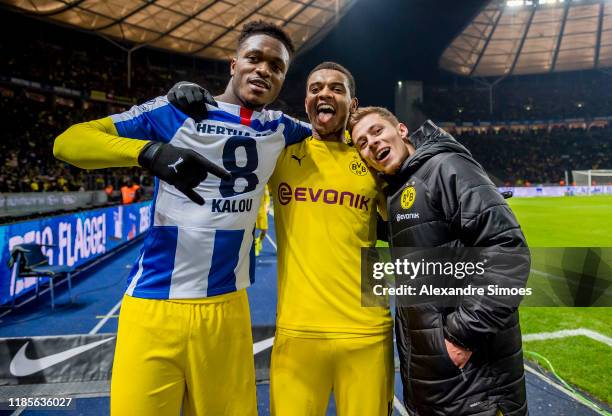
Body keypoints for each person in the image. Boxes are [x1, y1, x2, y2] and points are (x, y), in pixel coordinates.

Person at [54, 21, 310, 416]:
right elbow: (68, 142)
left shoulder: (282, 128)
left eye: (276, 67)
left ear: (282, 80)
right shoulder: (174, 112)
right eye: (254, 58)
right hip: (153, 306)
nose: (263, 70)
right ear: (233, 64)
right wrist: (149, 153)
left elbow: (343, 132)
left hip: (227, 310)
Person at [349, 107, 529, 416]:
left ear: (401, 130)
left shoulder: (446, 167)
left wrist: (461, 336)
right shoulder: (399, 189)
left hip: (475, 387)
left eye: (377, 131)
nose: (372, 143)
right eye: (362, 143)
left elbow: (507, 251)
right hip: (435, 383)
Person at [268, 63, 393, 415]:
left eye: (336, 88)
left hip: (367, 333)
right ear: (307, 101)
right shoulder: (280, 154)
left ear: (353, 104)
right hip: (298, 334)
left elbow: (419, 217)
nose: (324, 93)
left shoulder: (373, 158)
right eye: (315, 88)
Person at [254, 184, 270, 256]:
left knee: (264, 230)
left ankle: (259, 241)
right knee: (252, 230)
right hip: (253, 210)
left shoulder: (264, 184)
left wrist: (267, 206)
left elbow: (267, 197)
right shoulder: (252, 183)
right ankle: (255, 245)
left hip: (262, 210)